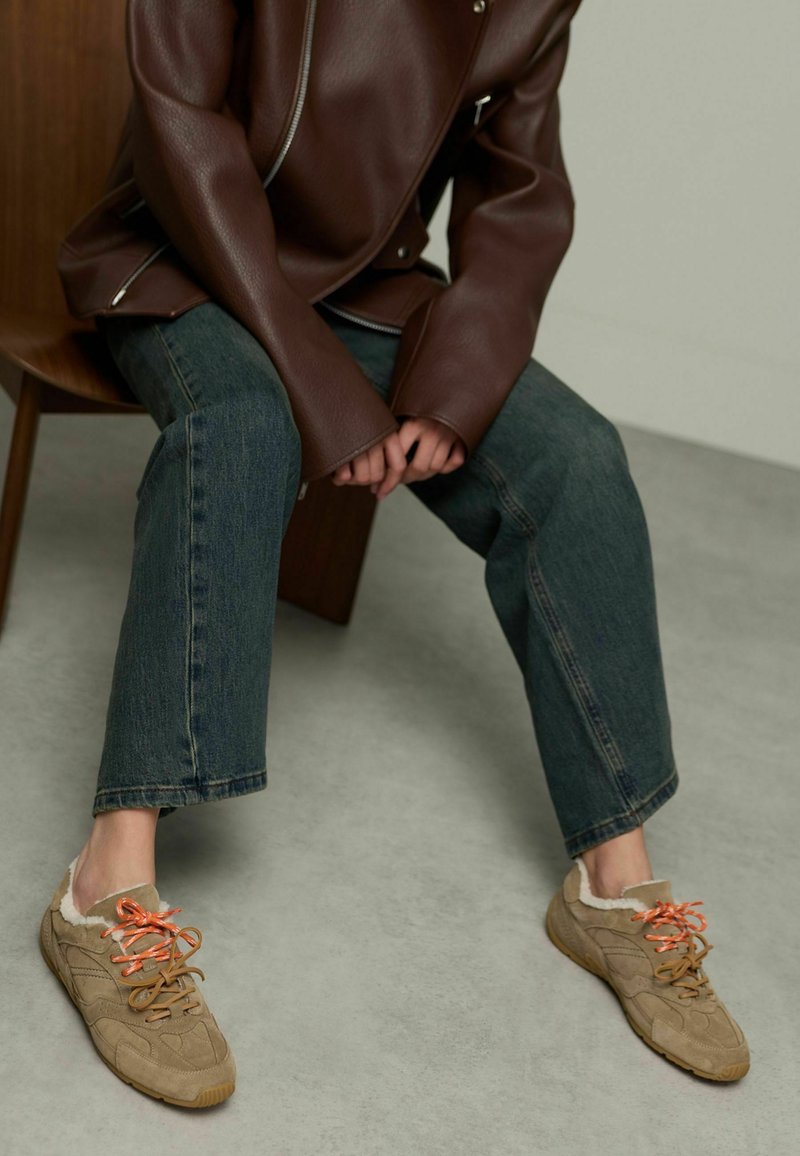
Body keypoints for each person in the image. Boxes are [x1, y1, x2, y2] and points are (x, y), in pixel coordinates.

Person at [39, 0, 749, 1108]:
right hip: (181, 254)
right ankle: (105, 888)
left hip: (363, 285)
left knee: (575, 457)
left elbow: (519, 194)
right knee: (243, 426)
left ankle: (614, 884)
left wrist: (456, 389)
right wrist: (321, 389)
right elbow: (185, 128)